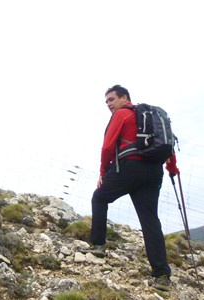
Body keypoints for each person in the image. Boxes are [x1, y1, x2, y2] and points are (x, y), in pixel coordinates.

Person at [81, 84, 179, 292]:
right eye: (106, 101)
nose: (109, 104)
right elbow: (167, 145)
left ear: (125, 98)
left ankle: (97, 245)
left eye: (111, 99)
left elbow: (108, 146)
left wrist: (102, 172)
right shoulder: (153, 118)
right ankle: (161, 274)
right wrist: (172, 167)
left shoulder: (122, 114)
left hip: (130, 168)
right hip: (154, 171)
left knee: (99, 198)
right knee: (150, 220)